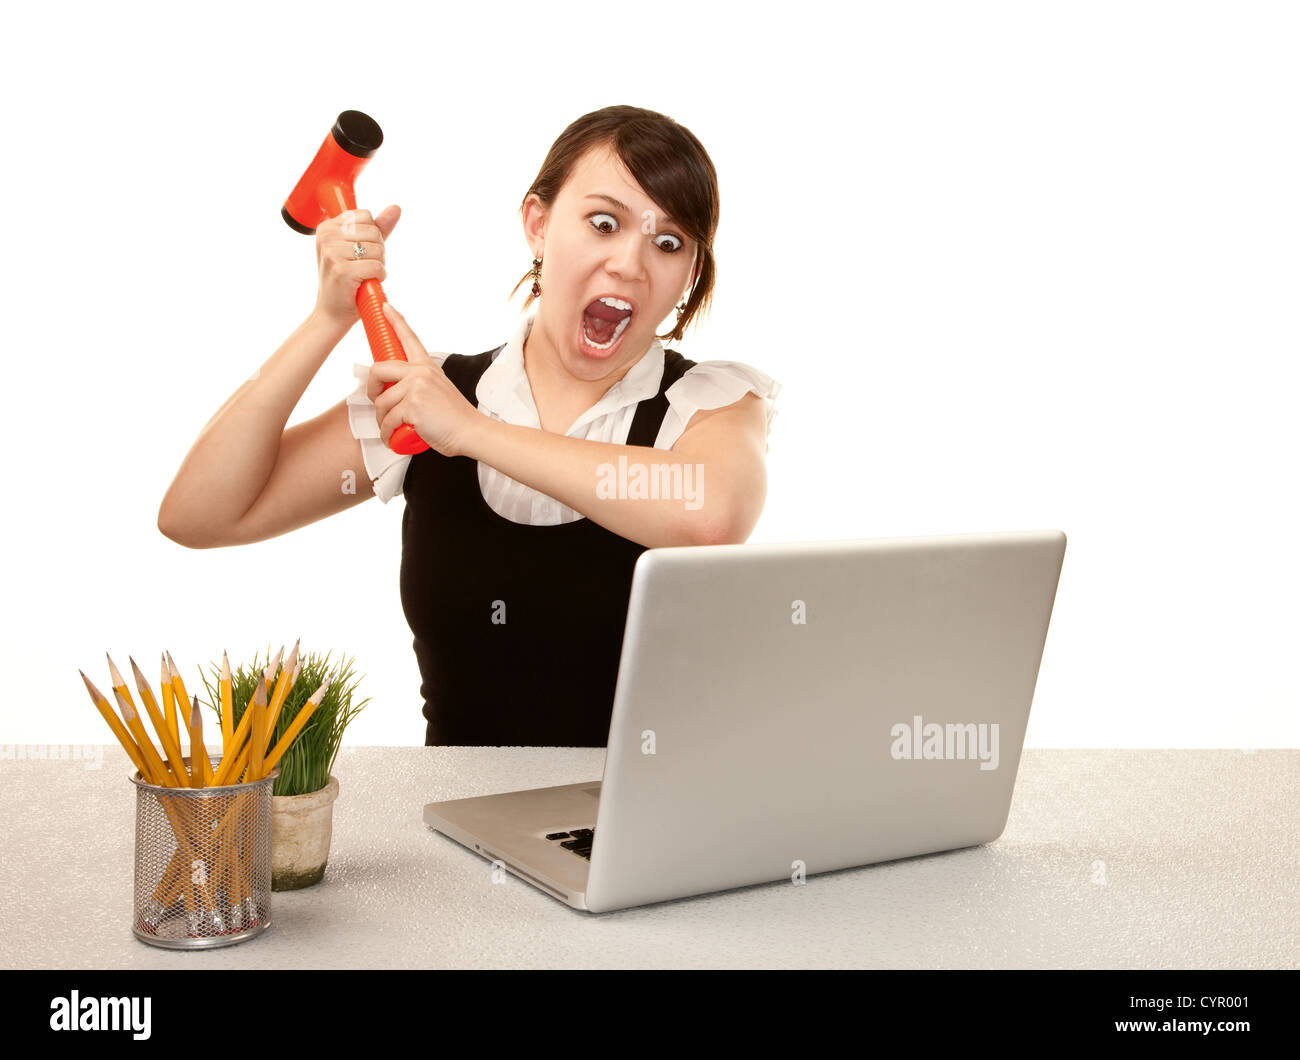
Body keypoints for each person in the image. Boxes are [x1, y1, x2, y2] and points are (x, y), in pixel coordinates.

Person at [158, 105, 781, 747]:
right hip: (456, 825)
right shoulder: (428, 397)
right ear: (537, 225)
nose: (630, 262)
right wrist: (327, 318)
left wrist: (469, 432)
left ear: (688, 273)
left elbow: (709, 516)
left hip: (647, 828)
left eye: (669, 242)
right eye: (604, 222)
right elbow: (200, 515)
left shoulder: (711, 404)